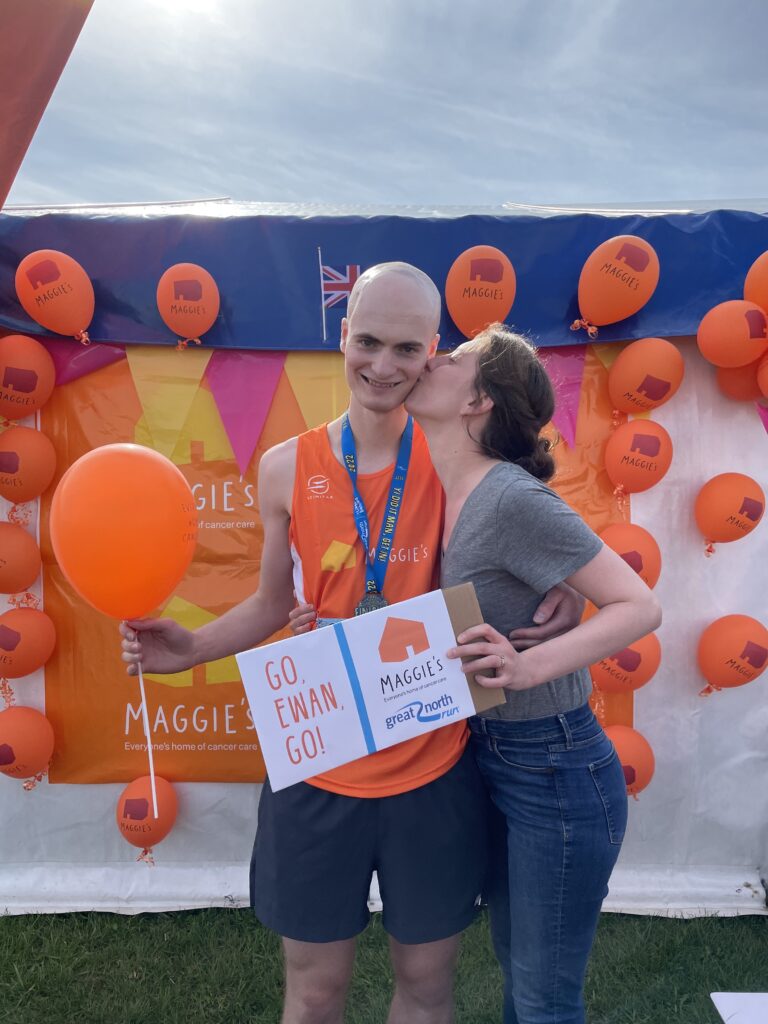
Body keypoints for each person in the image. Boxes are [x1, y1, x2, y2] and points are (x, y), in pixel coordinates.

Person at [120, 265, 583, 1024]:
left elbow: (538, 533)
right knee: (314, 994)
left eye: (406, 349)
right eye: (368, 341)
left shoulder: (459, 462)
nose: (383, 366)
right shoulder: (284, 467)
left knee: (427, 989)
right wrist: (192, 647)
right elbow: (274, 601)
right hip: (317, 765)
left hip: (433, 765)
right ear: (342, 336)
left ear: (433, 351)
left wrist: (564, 586)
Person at [402, 322, 662, 1024]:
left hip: (555, 767)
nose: (431, 360)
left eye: (453, 359)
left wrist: (526, 665)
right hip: (488, 754)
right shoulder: (439, 488)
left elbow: (639, 606)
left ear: (477, 400)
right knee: (520, 973)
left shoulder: (508, 498)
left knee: (544, 998)